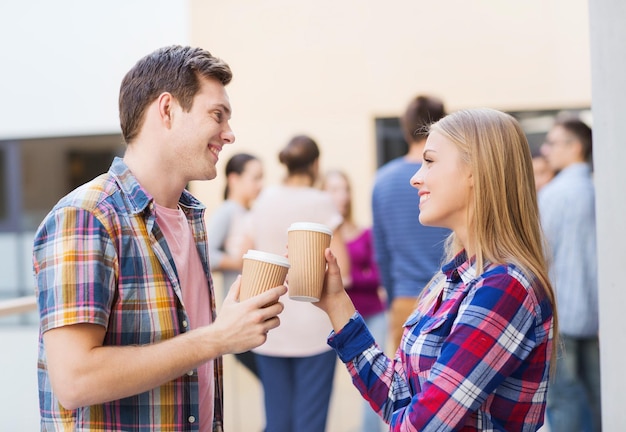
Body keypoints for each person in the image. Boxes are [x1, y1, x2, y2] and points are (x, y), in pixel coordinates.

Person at [32, 45, 287, 432]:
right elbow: (74, 380)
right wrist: (216, 338)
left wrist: (226, 327)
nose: (229, 134)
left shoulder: (191, 217)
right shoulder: (87, 216)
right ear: (166, 110)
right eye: (217, 115)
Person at [315, 108, 558, 431]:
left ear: (476, 171)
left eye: (429, 161)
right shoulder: (451, 280)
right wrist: (336, 303)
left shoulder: (504, 288)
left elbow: (422, 426)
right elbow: (398, 397)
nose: (416, 177)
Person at [241, 135, 351, 432]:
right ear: (315, 164)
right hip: (314, 330)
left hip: (270, 324)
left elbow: (245, 251)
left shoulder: (264, 200)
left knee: (277, 421)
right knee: (310, 422)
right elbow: (344, 266)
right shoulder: (322, 201)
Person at [372, 95, 451, 352]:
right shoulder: (450, 176)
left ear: (405, 129)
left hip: (405, 298)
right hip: (453, 295)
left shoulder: (383, 181)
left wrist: (392, 301)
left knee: (405, 385)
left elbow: (381, 252)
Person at [539, 117, 601, 432]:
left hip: (560, 312)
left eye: (553, 142)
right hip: (595, 314)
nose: (545, 149)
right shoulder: (599, 190)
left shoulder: (554, 194)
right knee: (598, 396)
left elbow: (539, 255)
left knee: (563, 399)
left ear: (575, 147)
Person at [322, 169, 387, 432]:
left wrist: (347, 280)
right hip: (336, 319)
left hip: (372, 314)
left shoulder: (365, 233)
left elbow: (377, 276)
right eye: (334, 189)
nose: (342, 196)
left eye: (345, 189)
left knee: (374, 381)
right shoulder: (321, 237)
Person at [208, 152, 264, 377]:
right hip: (240, 314)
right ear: (234, 179)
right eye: (255, 178)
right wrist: (241, 261)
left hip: (254, 310)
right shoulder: (227, 211)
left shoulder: (250, 212)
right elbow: (205, 253)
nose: (260, 185)